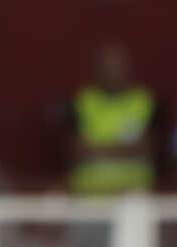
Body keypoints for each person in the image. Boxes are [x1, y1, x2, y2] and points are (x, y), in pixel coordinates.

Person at [66, 42, 160, 195]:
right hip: (89, 195)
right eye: (107, 67)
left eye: (117, 66)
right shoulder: (82, 101)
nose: (112, 72)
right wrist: (126, 150)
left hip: (135, 194)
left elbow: (149, 148)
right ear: (97, 70)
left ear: (128, 68)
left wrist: (96, 149)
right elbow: (75, 150)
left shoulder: (145, 101)